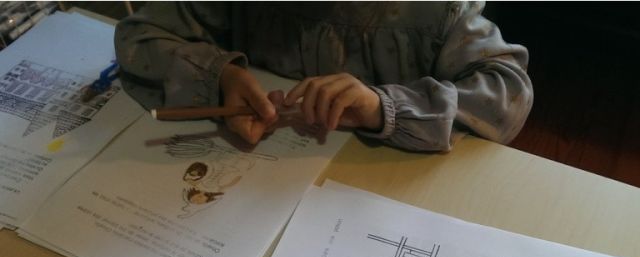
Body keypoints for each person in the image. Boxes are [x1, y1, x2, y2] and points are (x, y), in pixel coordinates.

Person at [115, 2, 533, 152]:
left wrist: (381, 107)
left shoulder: (436, 10)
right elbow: (140, 35)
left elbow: (507, 93)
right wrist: (221, 77)